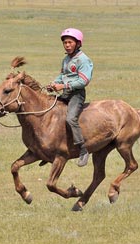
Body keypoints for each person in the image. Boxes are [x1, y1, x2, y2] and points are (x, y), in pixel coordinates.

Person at [48, 28, 93, 167]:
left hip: (76, 95)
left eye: (70, 42)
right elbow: (62, 76)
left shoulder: (84, 60)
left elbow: (84, 81)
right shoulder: (66, 59)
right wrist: (55, 83)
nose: (67, 45)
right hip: (66, 93)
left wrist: (64, 86)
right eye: (65, 43)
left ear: (78, 43)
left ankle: (83, 149)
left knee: (70, 118)